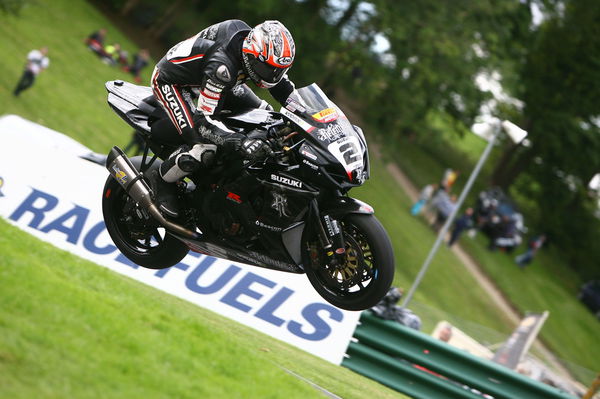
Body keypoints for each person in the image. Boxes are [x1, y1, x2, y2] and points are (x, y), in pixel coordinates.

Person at [148, 19, 296, 218]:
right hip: (173, 82)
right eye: (268, 69)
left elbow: (290, 95)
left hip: (218, 78)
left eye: (278, 70)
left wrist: (321, 117)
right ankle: (161, 180)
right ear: (252, 56)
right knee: (204, 147)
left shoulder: (255, 55)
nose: (272, 75)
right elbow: (204, 121)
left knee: (267, 114)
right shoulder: (222, 64)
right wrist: (241, 143)